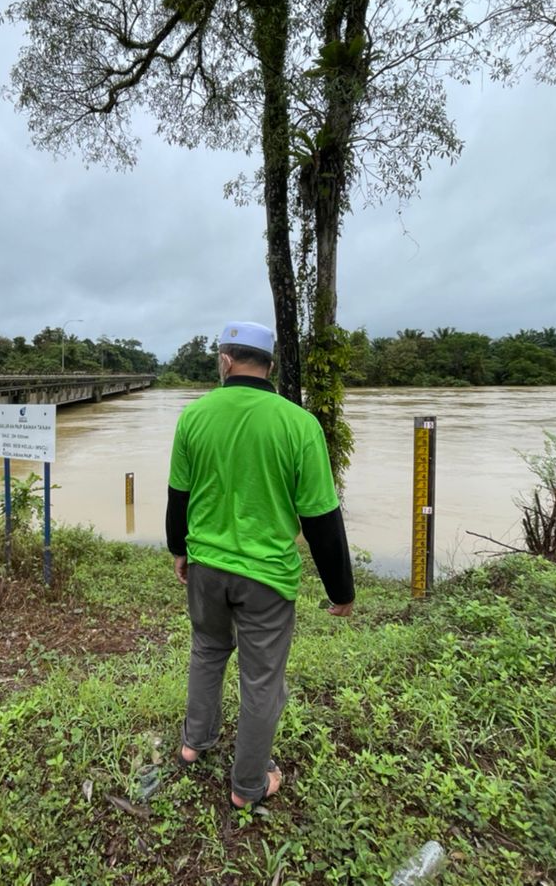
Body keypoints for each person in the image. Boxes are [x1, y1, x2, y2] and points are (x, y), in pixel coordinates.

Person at [166, 320, 355, 808]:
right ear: (269, 365)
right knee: (262, 677)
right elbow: (322, 518)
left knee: (207, 650)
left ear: (226, 361)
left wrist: (180, 550)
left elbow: (178, 497)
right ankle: (247, 785)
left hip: (206, 565)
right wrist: (341, 590)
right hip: (267, 577)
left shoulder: (194, 416)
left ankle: (194, 742)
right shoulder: (299, 423)